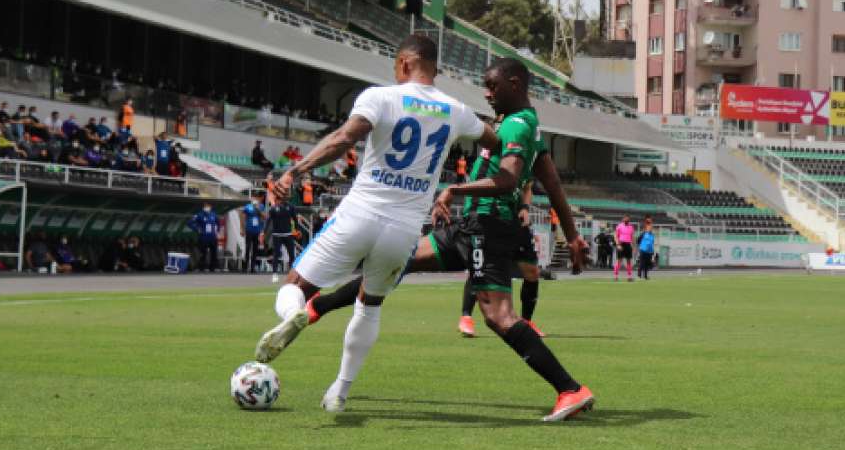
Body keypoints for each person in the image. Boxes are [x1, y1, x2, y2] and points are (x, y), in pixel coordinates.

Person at [296, 58, 595, 421]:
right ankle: (317, 308)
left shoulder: (518, 125)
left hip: (489, 225)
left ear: (515, 84)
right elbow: (553, 183)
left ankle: (570, 389)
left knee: (498, 316)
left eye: (492, 86)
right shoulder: (526, 126)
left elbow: (509, 181)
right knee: (399, 260)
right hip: (470, 225)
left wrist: (454, 188)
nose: (487, 93)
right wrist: (573, 235)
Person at [252, 34, 494, 413]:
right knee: (370, 305)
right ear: (435, 69)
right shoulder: (456, 110)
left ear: (403, 64)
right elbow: (495, 142)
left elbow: (345, 138)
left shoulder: (380, 97)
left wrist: (295, 171)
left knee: (296, 285)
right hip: (404, 230)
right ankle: (339, 394)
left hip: (361, 214)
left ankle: (294, 314)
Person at [456, 180, 546, 338]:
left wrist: (525, 208)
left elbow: (527, 188)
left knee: (531, 272)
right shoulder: (492, 161)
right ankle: (466, 317)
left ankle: (526, 322)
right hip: (490, 216)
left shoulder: (527, 161)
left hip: (516, 219)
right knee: (479, 266)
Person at [265, 197, 297, 273]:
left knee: (291, 254)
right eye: (277, 200)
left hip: (288, 234)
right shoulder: (273, 209)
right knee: (276, 254)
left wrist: (297, 229)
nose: (278, 201)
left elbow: (295, 219)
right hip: (277, 235)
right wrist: (264, 231)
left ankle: (292, 271)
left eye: (280, 199)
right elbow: (268, 220)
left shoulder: (291, 207)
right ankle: (275, 273)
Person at [189, 203, 220, 272]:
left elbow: (218, 223)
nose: (207, 208)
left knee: (214, 253)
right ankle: (201, 267)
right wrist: (197, 229)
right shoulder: (199, 215)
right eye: (206, 206)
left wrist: (217, 231)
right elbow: (190, 223)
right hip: (203, 237)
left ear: (211, 207)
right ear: (203, 207)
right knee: (203, 253)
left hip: (213, 237)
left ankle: (213, 268)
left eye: (208, 206)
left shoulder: (214, 214)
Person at [241, 196, 267, 273]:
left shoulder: (261, 206)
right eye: (253, 198)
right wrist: (242, 228)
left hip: (257, 231)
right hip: (249, 230)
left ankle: (253, 267)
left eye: (256, 198)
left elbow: (264, 217)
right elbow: (242, 216)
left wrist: (258, 209)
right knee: (248, 248)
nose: (255, 200)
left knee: (255, 249)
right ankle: (245, 267)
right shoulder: (247, 207)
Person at [614, 215, 635, 282]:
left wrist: (633, 246)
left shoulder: (631, 227)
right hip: (621, 244)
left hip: (628, 244)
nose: (626, 219)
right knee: (619, 261)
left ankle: (629, 277)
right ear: (623, 219)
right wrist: (618, 244)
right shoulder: (619, 226)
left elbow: (632, 237)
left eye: (628, 218)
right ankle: (616, 276)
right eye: (625, 218)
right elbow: (616, 236)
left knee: (629, 261)